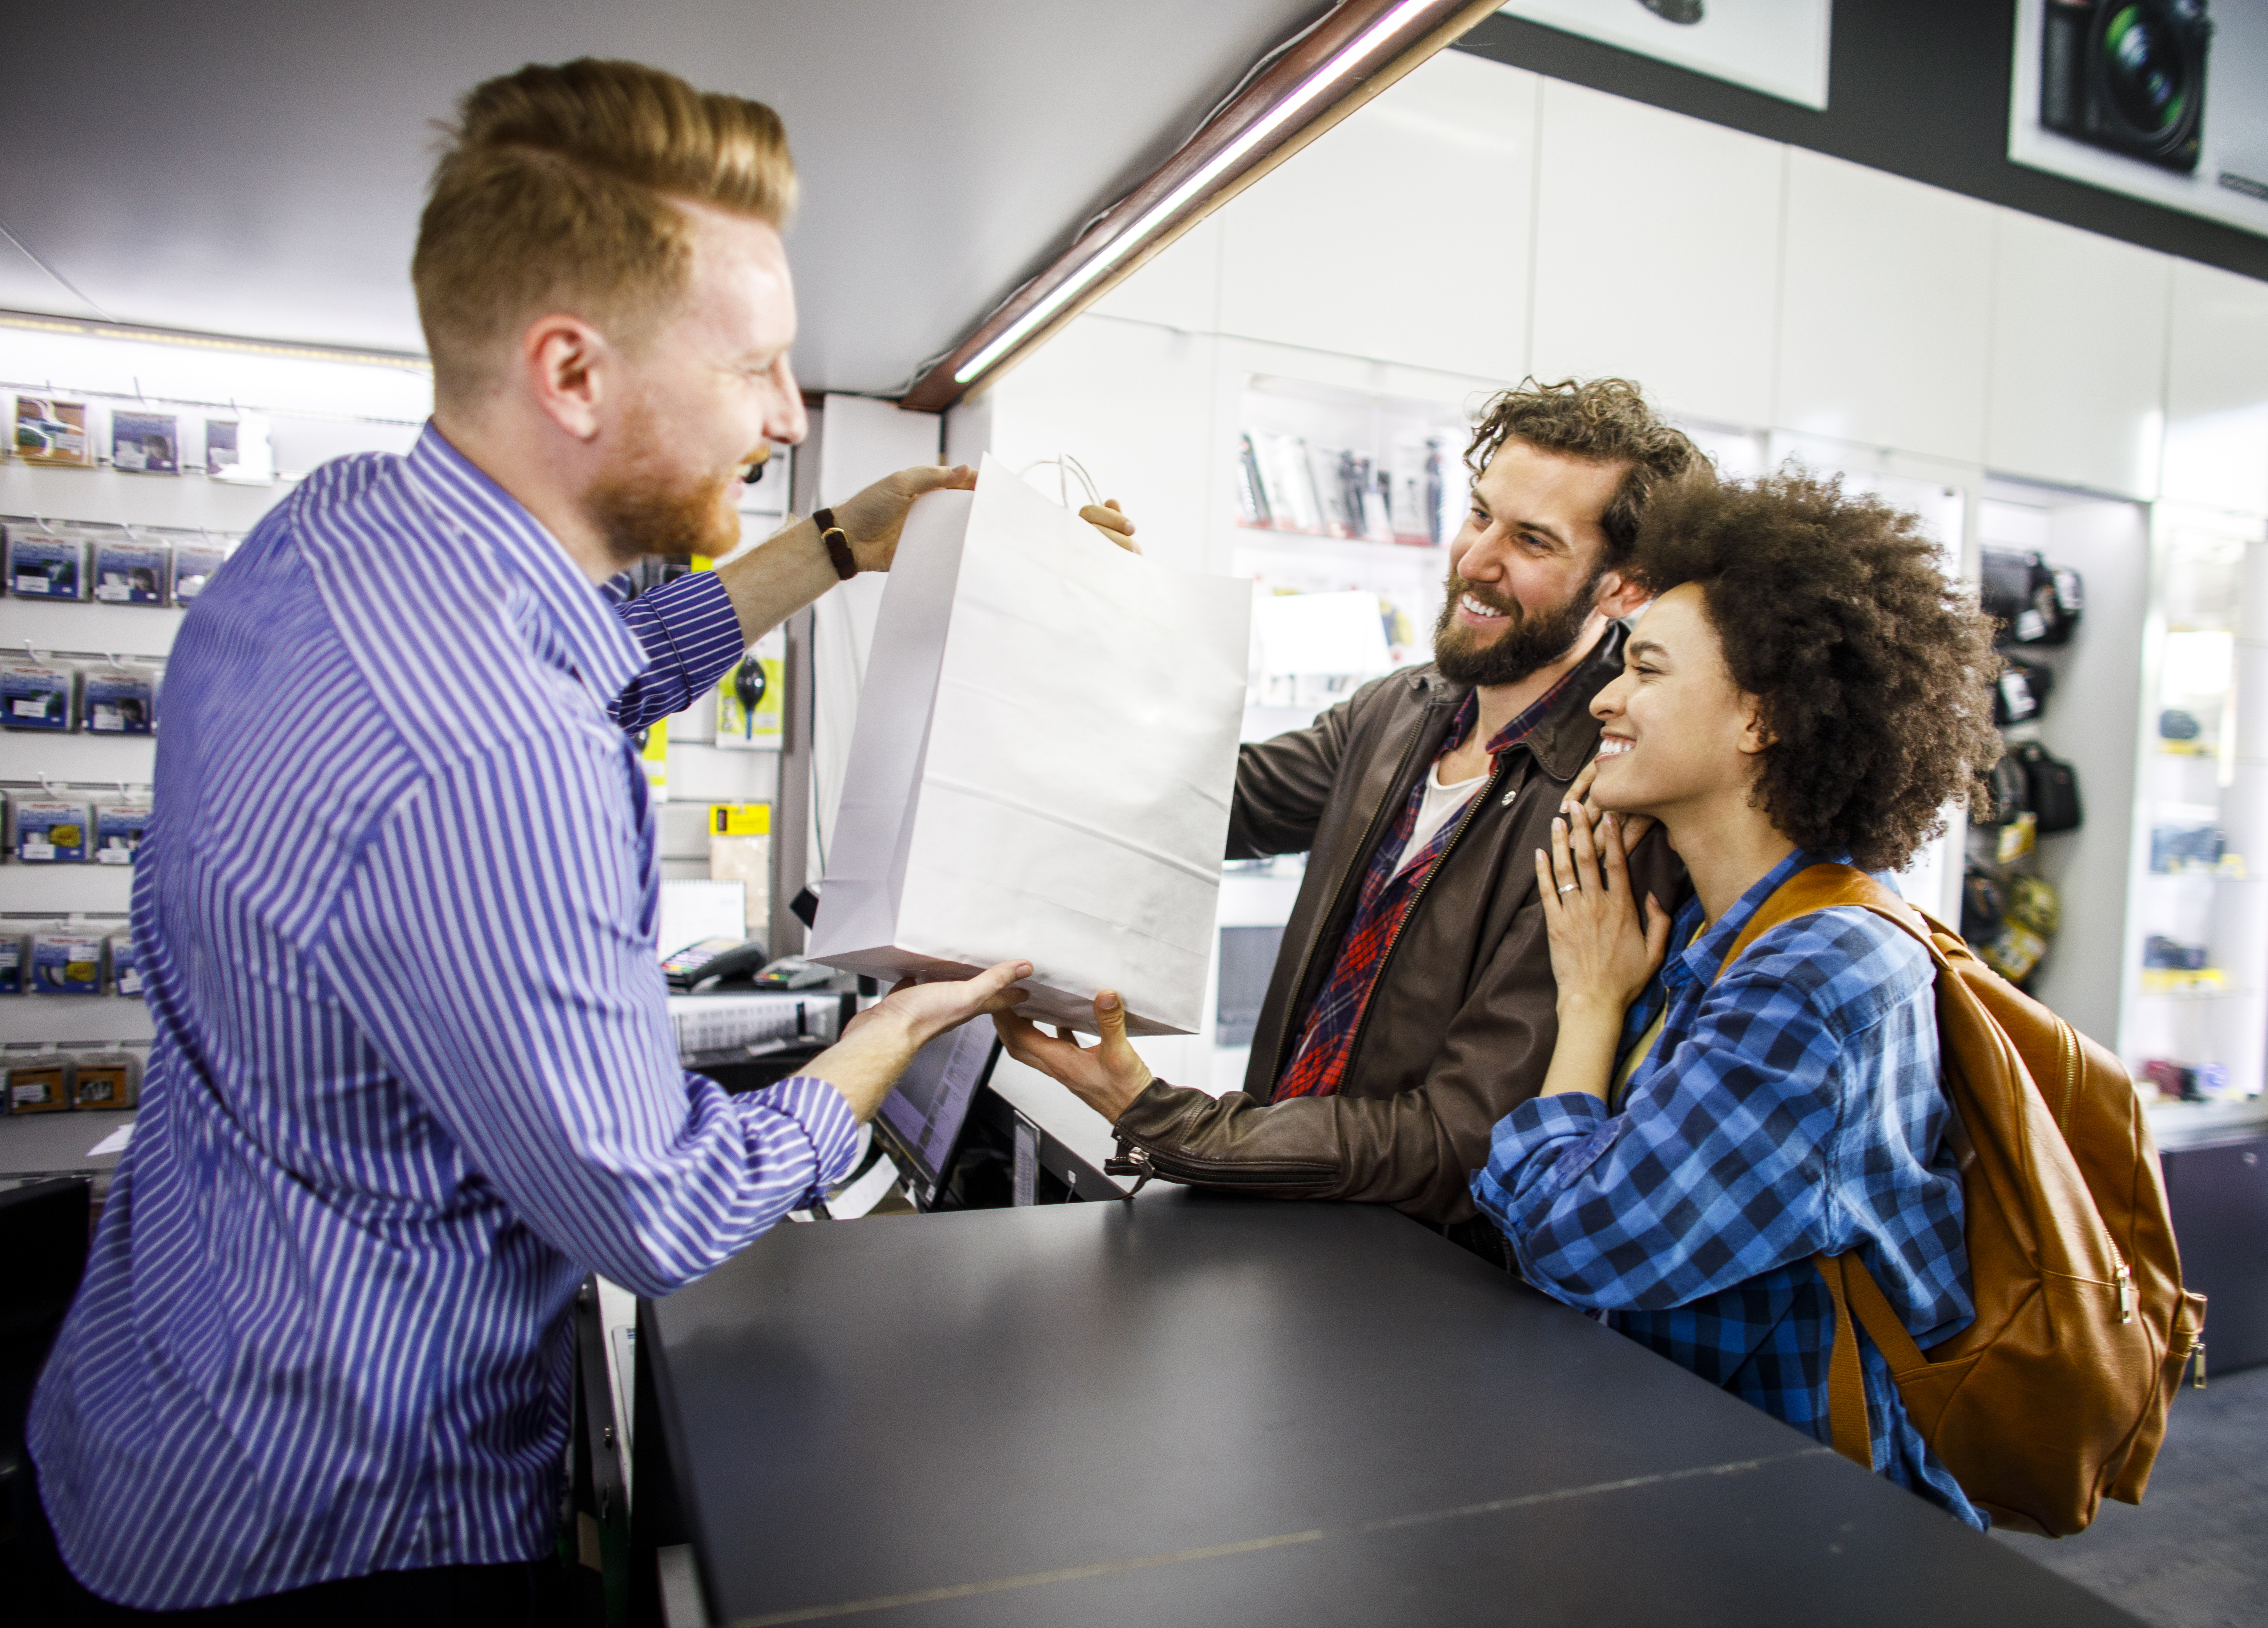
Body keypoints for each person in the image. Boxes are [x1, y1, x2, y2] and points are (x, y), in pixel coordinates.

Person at [20, 59, 1097, 1620]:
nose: (786, 414)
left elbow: (602, 647)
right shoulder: (496, 752)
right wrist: (878, 1047)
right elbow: (652, 1211)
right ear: (575, 373)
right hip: (338, 1526)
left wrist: (839, 546)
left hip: (161, 1418)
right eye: (756, 370)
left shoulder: (340, 529)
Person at [999, 379, 1701, 1249]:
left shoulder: (1608, 804)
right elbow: (1193, 803)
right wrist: (1099, 616)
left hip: (1410, 1286)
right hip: (1285, 1227)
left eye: (1530, 541)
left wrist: (1170, 1120)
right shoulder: (1401, 710)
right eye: (1480, 514)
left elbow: (1458, 1137)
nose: (1476, 560)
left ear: (1621, 587)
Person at [1466, 470, 2002, 1523]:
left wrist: (1587, 1007)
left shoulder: (1816, 974)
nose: (1608, 698)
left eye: (1648, 671)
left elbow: (1579, 1241)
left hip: (1802, 1526)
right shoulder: (1733, 935)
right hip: (1702, 1487)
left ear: (1762, 716)